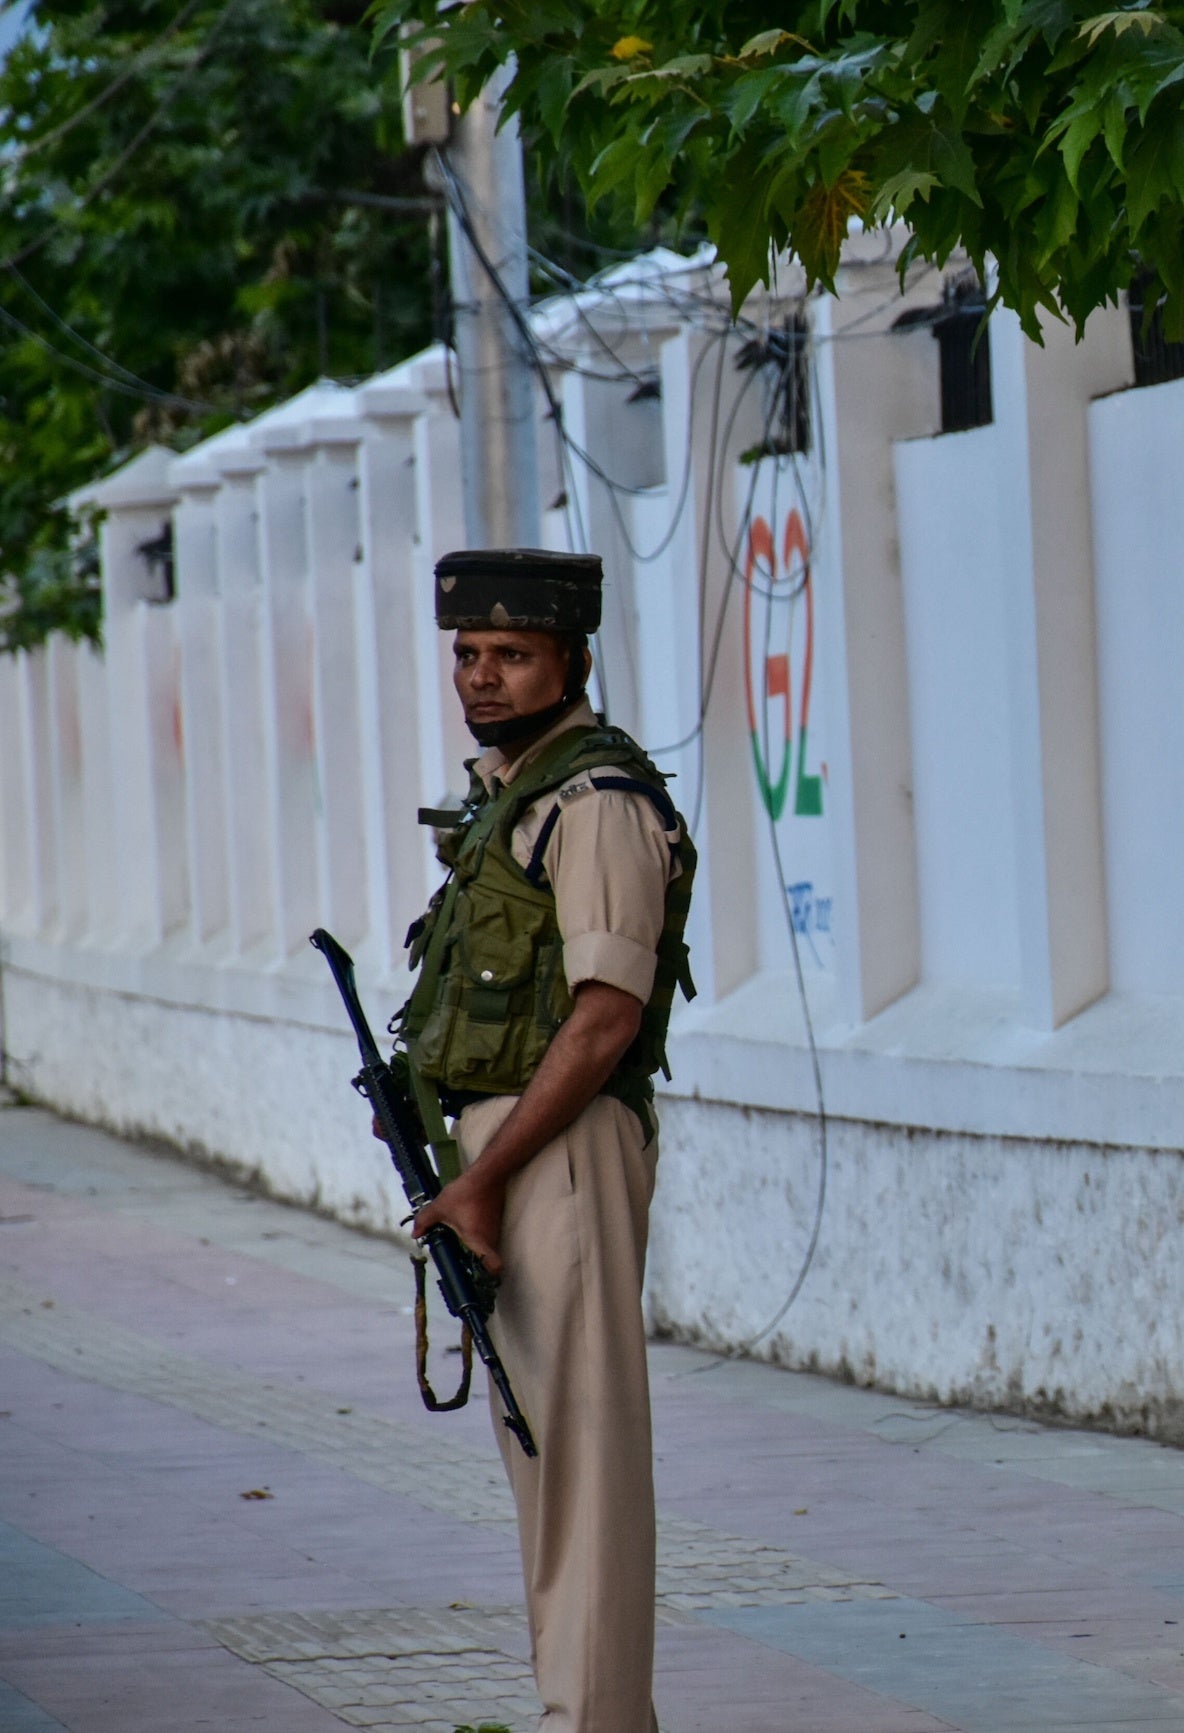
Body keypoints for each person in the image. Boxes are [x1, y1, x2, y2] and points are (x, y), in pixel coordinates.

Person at [399, 547, 696, 1733]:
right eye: (467, 653)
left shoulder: (599, 800)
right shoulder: (515, 791)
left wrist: (486, 1178)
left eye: (511, 654)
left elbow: (605, 1016)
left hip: (558, 1150)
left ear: (573, 659)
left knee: (581, 1464)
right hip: (514, 1154)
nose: (480, 675)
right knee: (545, 1465)